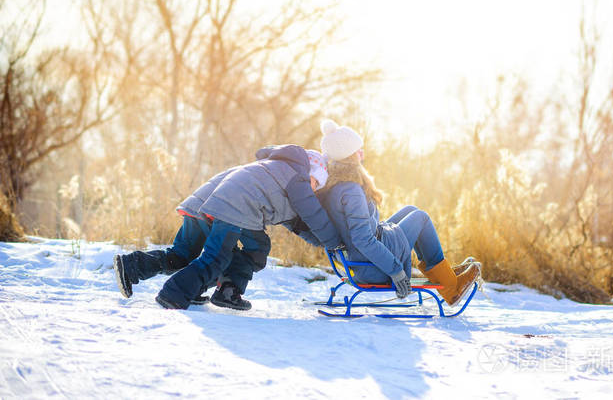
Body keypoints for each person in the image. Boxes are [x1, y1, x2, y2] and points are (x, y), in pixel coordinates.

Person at [114, 145, 340, 310]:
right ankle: (178, 294)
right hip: (231, 209)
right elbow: (314, 216)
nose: (312, 190)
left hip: (205, 203)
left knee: (182, 255)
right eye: (314, 183)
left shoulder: (274, 170)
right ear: (309, 174)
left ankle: (133, 266)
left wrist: (322, 242)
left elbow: (298, 223)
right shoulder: (297, 178)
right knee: (218, 258)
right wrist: (336, 242)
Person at [316, 120, 480, 306]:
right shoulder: (351, 191)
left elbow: (360, 231)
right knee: (421, 218)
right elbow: (363, 240)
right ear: (349, 156)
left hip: (360, 256)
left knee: (410, 210)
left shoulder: (336, 185)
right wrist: (396, 271)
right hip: (370, 266)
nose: (362, 155)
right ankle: (451, 287)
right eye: (358, 151)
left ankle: (444, 273)